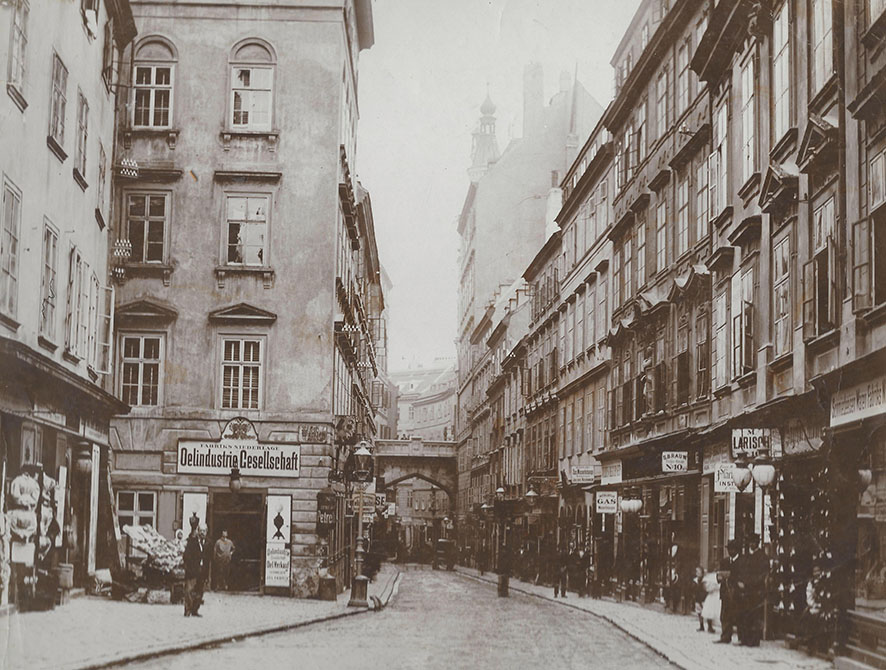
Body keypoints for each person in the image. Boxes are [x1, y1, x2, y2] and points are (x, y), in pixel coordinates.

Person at [738, 534, 768, 647]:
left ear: (757, 543)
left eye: (754, 542)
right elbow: (741, 571)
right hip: (745, 590)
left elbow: (763, 574)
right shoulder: (746, 556)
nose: (751, 544)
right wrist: (741, 581)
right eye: (750, 542)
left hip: (756, 590)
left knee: (755, 615)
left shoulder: (762, 557)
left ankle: (754, 641)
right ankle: (744, 639)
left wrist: (750, 583)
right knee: (745, 614)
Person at [715, 539, 742, 644]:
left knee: (738, 615)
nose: (731, 551)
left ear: (737, 550)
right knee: (725, 615)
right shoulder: (724, 561)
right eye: (729, 549)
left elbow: (742, 577)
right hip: (725, 592)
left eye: (733, 549)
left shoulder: (742, 562)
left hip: (737, 593)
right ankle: (725, 637)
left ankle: (741, 637)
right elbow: (719, 575)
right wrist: (720, 577)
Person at [182, 515, 206, 617]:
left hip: (202, 571)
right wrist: (190, 566)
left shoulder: (207, 543)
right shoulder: (192, 541)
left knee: (199, 591)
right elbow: (186, 556)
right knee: (189, 590)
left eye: (204, 531)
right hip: (193, 570)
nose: (202, 533)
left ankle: (195, 610)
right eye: (201, 531)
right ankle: (188, 610)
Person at [701, 568, 721, 634]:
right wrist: (713, 587)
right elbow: (707, 588)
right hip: (712, 595)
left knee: (718, 611)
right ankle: (710, 626)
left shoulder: (720, 576)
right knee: (709, 611)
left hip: (718, 595)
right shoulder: (710, 577)